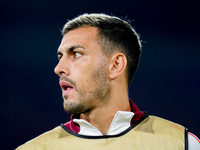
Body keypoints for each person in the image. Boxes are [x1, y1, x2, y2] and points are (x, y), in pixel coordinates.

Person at [16, 13, 200, 149]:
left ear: (115, 65)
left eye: (76, 54)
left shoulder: (182, 144)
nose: (58, 68)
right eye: (60, 56)